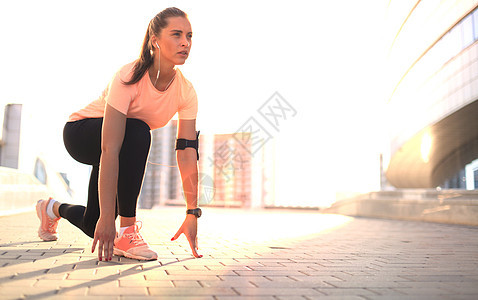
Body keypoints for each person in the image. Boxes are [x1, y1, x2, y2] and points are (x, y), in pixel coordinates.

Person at [35, 7, 202, 261]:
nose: (185, 42)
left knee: (95, 227)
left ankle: (50, 208)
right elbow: (109, 148)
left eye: (189, 36)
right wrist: (111, 219)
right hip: (82, 133)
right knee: (138, 131)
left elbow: (188, 153)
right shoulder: (129, 77)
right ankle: (127, 229)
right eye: (176, 34)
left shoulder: (186, 91)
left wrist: (192, 212)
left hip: (119, 145)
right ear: (155, 40)